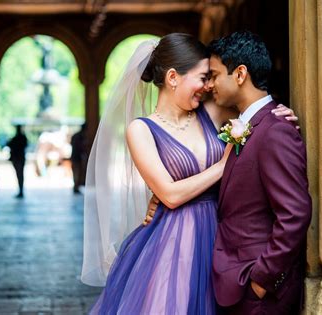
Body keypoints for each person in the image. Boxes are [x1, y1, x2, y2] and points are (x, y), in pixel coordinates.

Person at [81, 33, 298, 314]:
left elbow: (254, 112)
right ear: (173, 77)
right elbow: (169, 195)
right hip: (173, 242)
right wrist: (222, 166)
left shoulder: (214, 110)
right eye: (202, 77)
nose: (208, 85)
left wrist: (281, 112)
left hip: (222, 238)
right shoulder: (141, 130)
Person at [206, 31, 312, 315]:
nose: (210, 85)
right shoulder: (245, 125)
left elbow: (295, 213)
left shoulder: (276, 130)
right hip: (234, 283)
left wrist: (262, 279)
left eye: (215, 75)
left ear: (240, 73)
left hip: (259, 292)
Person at [7, 125, 28, 198]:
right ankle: (21, 190)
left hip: (17, 158)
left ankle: (21, 190)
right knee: (20, 174)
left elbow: (9, 144)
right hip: (20, 158)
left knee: (19, 174)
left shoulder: (16, 138)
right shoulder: (22, 138)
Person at [70, 123, 88, 194]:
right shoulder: (80, 136)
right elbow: (81, 147)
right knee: (77, 172)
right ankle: (76, 187)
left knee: (76, 172)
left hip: (74, 156)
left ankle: (76, 186)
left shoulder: (76, 135)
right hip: (77, 157)